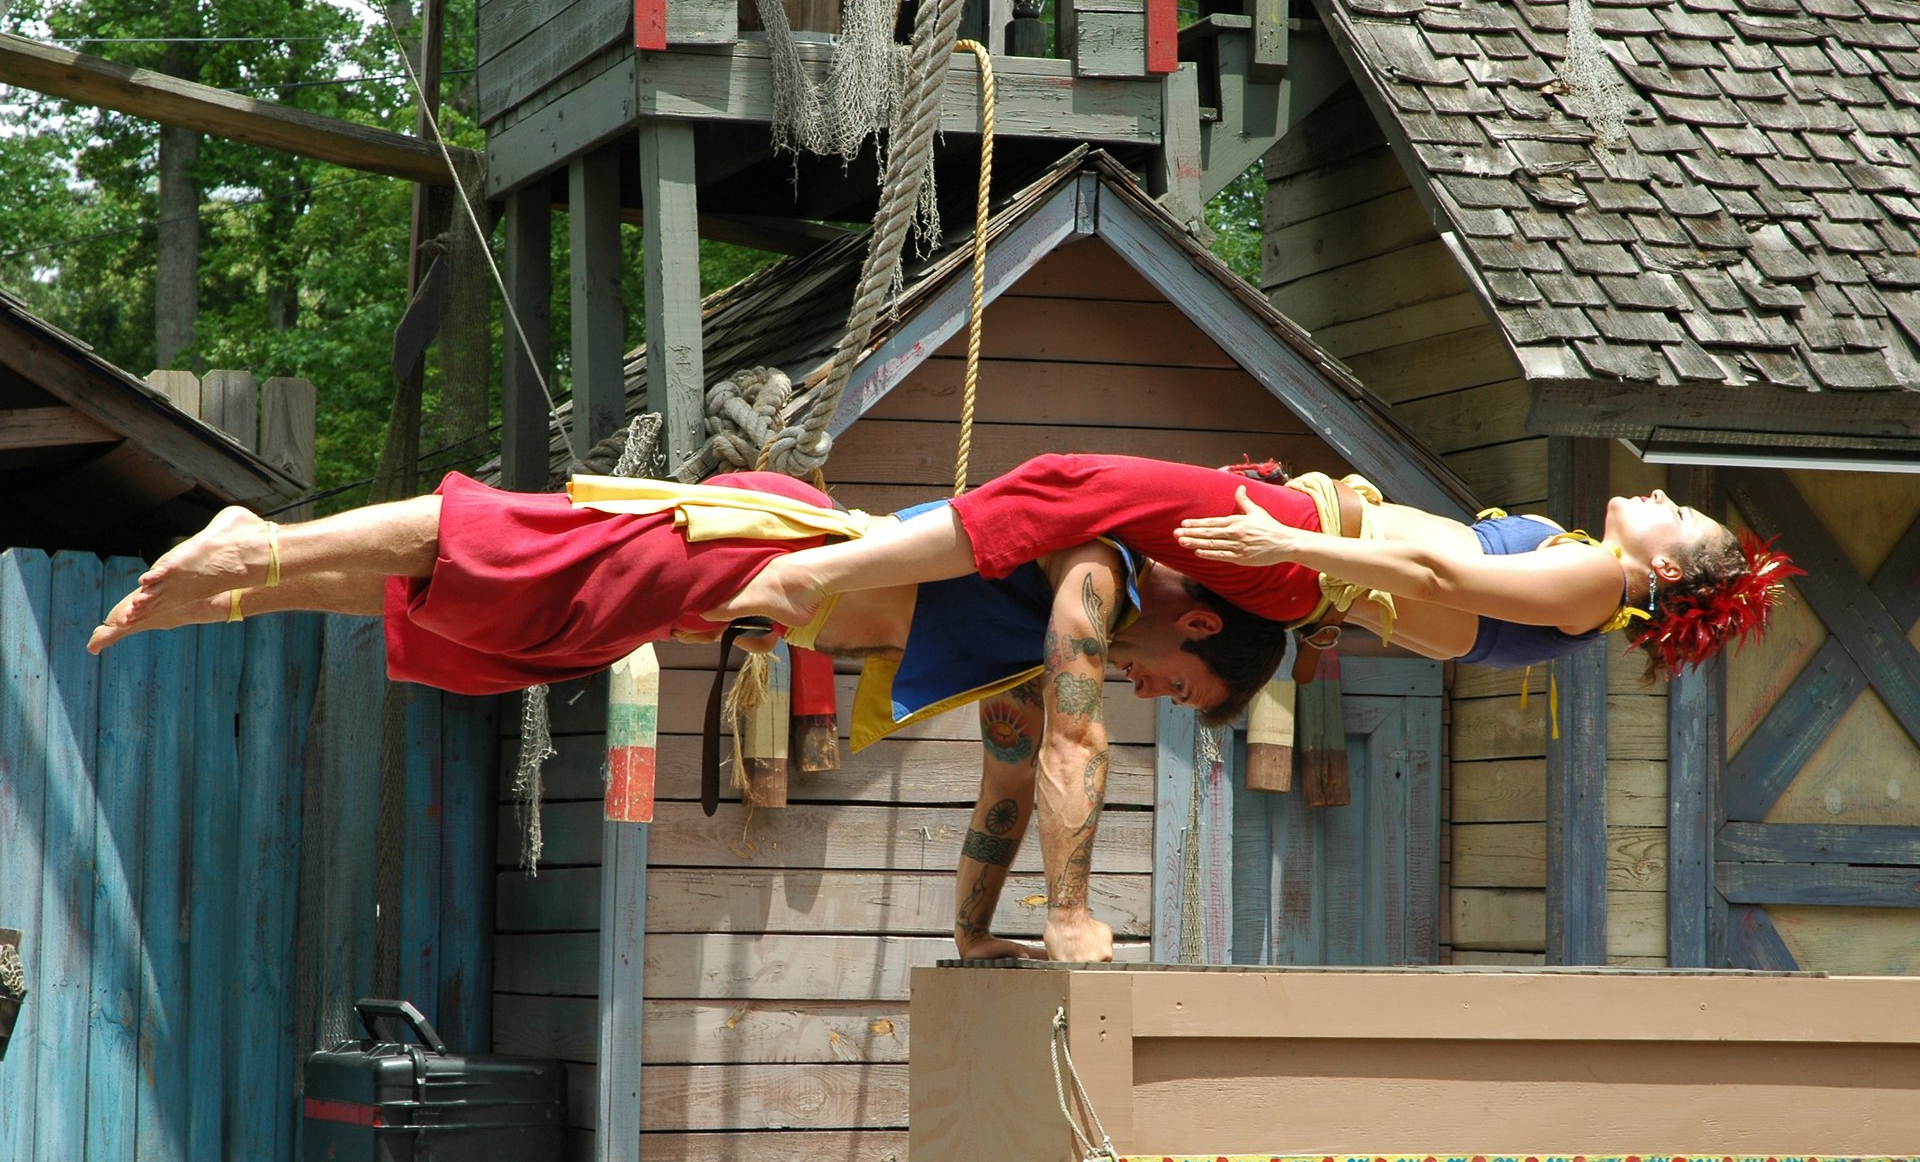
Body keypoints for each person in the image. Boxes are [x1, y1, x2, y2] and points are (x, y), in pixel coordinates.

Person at [88, 468, 1289, 964]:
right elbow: (1079, 738)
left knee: (509, 626)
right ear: (1192, 630)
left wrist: (977, 932)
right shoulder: (1100, 579)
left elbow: (1014, 784)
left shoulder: (1041, 650)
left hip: (741, 608)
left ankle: (250, 588)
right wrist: (1070, 908)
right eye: (1175, 690)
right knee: (521, 546)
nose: (1147, 698)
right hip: (766, 547)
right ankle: (269, 540)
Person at [710, 452, 1798, 680]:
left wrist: (1295, 542)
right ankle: (831, 559)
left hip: (1305, 552)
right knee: (1073, 498)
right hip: (1310, 558)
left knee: (1069, 484)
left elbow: (1436, 584)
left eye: (1676, 513)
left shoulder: (1594, 584)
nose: (1656, 497)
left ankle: (829, 571)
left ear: (1667, 573)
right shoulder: (1579, 583)